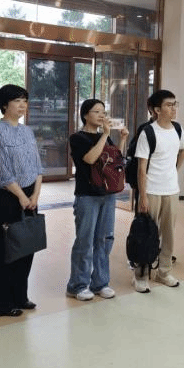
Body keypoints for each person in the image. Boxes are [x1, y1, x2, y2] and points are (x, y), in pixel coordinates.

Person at [0, 84, 43, 317]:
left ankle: (20, 296)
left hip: (30, 195)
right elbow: (1, 172)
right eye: (17, 101)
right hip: (8, 196)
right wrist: (21, 196)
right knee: (3, 250)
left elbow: (38, 166)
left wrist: (35, 195)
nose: (22, 105)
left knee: (26, 247)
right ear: (4, 105)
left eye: (25, 101)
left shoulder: (27, 131)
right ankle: (1, 303)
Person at [66, 99, 128, 301]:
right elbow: (91, 159)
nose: (102, 115)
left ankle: (100, 283)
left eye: (103, 112)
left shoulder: (104, 137)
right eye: (97, 112)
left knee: (104, 239)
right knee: (85, 240)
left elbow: (115, 161)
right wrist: (106, 135)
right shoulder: (77, 138)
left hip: (107, 195)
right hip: (87, 195)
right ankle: (77, 285)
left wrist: (122, 140)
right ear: (85, 115)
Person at [134, 89, 184, 293]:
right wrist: (143, 196)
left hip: (172, 190)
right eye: (169, 105)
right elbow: (141, 168)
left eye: (175, 104)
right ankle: (141, 275)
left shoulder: (177, 129)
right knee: (147, 234)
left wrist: (174, 170)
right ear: (157, 110)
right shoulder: (148, 132)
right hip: (152, 190)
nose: (174, 108)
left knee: (169, 234)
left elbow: (183, 149)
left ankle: (164, 272)